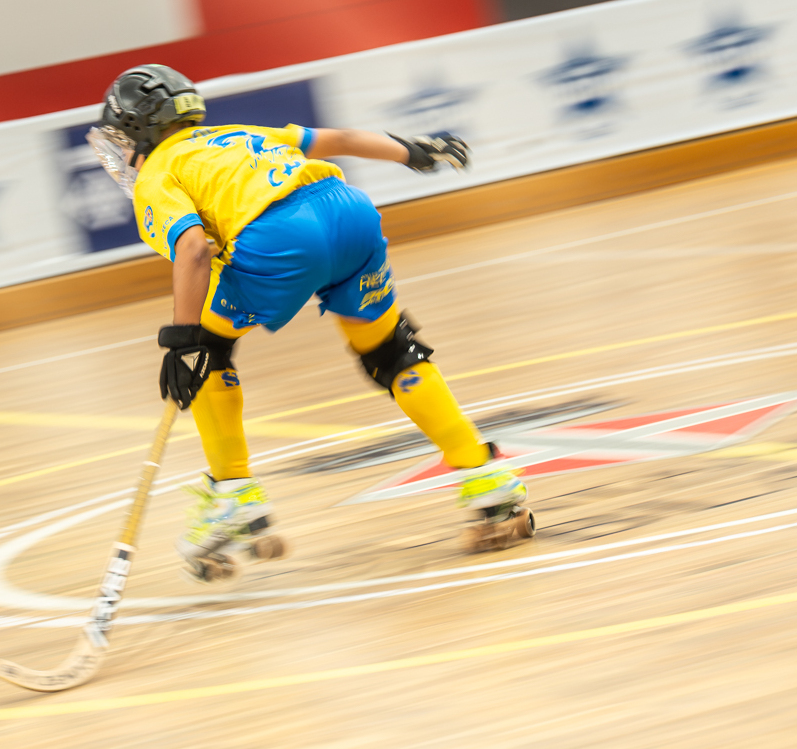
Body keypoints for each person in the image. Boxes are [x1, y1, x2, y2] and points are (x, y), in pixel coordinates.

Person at [88, 64, 531, 577]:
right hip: (348, 212)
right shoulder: (240, 132)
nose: (122, 152)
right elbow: (340, 140)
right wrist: (413, 151)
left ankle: (233, 494)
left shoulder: (157, 175)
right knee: (389, 350)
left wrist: (184, 342)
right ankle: (485, 476)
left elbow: (192, 250)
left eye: (123, 140)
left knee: (207, 354)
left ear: (140, 132)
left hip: (279, 236)